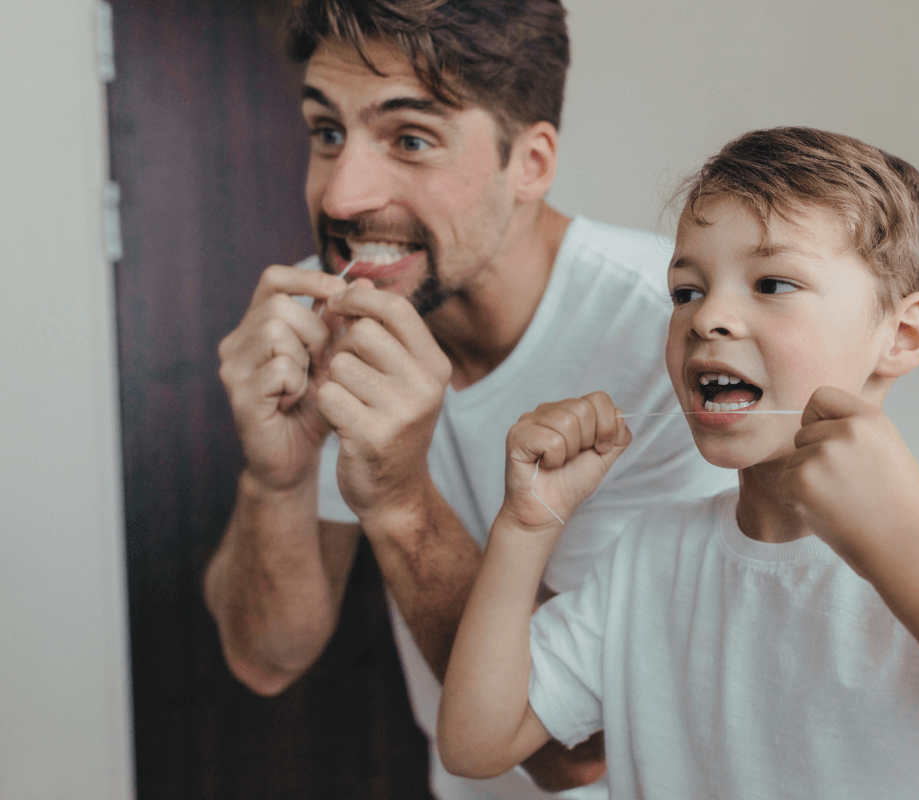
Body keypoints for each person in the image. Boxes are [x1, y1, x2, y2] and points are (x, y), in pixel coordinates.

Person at [437, 127, 919, 799]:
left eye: (773, 283)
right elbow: (477, 742)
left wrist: (905, 545)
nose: (708, 316)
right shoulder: (646, 559)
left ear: (900, 337)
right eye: (685, 290)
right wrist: (526, 525)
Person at [203, 2, 733, 799]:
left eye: (410, 138)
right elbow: (265, 659)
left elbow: (577, 750)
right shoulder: (334, 324)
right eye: (327, 133)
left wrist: (401, 501)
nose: (343, 198)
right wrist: (275, 477)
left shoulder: (679, 345)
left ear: (531, 162)